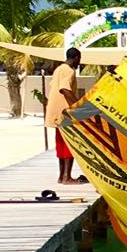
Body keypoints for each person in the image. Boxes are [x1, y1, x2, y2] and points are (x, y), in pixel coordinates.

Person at [47, 47, 84, 184]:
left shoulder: (59, 69)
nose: (79, 62)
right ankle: (67, 177)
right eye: (79, 59)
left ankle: (61, 176)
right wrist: (78, 108)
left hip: (56, 113)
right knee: (70, 144)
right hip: (65, 113)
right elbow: (65, 89)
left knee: (61, 144)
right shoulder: (69, 71)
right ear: (75, 58)